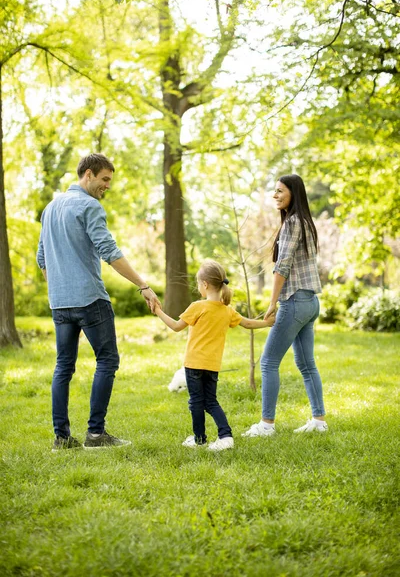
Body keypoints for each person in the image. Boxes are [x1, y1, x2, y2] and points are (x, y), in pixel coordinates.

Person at [37, 153, 160, 451]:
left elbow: (42, 259)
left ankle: (62, 438)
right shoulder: (89, 206)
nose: (107, 186)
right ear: (88, 174)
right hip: (90, 299)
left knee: (63, 366)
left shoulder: (50, 209)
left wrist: (60, 287)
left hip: (60, 303)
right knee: (107, 360)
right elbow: (110, 251)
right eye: (104, 179)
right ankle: (96, 434)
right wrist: (142, 284)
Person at [155, 260, 275, 451]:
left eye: (197, 283)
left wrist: (158, 311)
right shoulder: (227, 311)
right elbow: (248, 324)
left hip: (194, 363)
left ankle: (200, 439)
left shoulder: (197, 306)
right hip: (212, 365)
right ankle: (224, 436)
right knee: (210, 401)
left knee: (196, 402)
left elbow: (176, 327)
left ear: (205, 284)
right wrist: (267, 323)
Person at [243, 174, 328, 438]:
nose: (275, 195)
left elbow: (283, 265)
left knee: (268, 362)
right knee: (306, 363)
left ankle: (266, 425)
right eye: (274, 191)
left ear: (294, 193)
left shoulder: (292, 223)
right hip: (310, 302)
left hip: (294, 302)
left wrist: (272, 302)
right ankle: (319, 420)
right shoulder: (306, 222)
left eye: (280, 191)